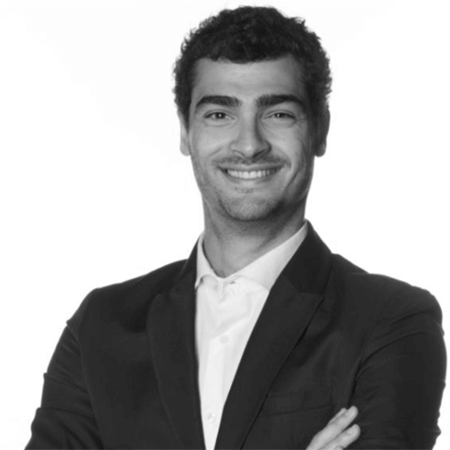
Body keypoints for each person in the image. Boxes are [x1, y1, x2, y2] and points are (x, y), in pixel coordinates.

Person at [25, 6, 446, 450]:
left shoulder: (391, 322)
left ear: (320, 130)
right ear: (185, 131)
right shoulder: (101, 326)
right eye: (219, 115)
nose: (248, 144)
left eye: (278, 114)